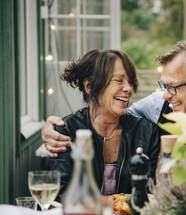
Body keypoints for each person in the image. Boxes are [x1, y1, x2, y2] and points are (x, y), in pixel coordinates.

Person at [42, 40, 186, 157]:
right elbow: (110, 116)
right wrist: (53, 128)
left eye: (173, 87)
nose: (166, 95)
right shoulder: (156, 106)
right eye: (164, 86)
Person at [47, 49, 160, 198]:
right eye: (119, 80)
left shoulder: (146, 132)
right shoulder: (67, 132)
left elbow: (153, 193)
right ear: (89, 87)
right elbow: (60, 195)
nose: (129, 89)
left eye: (130, 82)